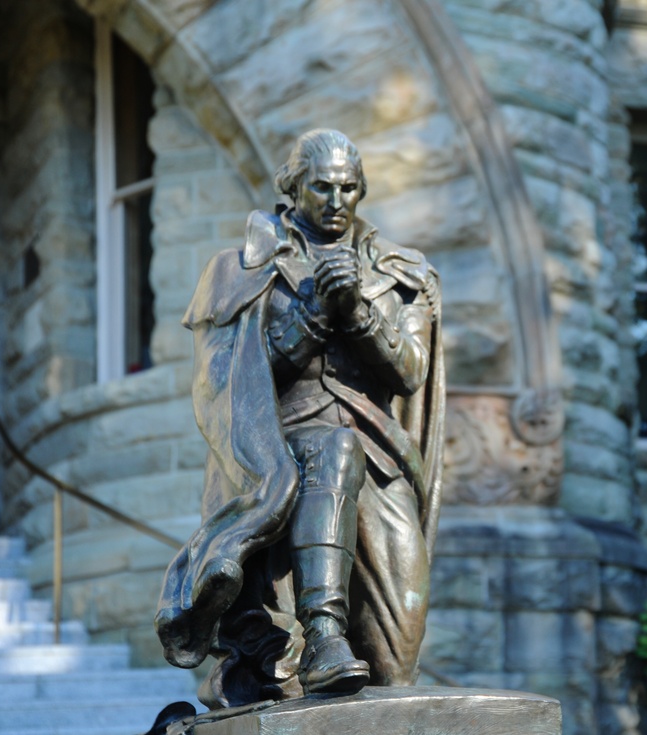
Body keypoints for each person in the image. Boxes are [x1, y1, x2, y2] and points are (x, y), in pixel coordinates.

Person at [155, 129, 444, 707]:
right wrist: (312, 315)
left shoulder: (399, 272)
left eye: (348, 188)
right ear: (292, 188)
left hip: (381, 466)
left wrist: (359, 312)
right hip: (281, 454)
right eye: (321, 187)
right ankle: (322, 635)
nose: (336, 201)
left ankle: (334, 648)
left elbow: (412, 373)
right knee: (335, 448)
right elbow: (228, 381)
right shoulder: (241, 268)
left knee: (396, 660)